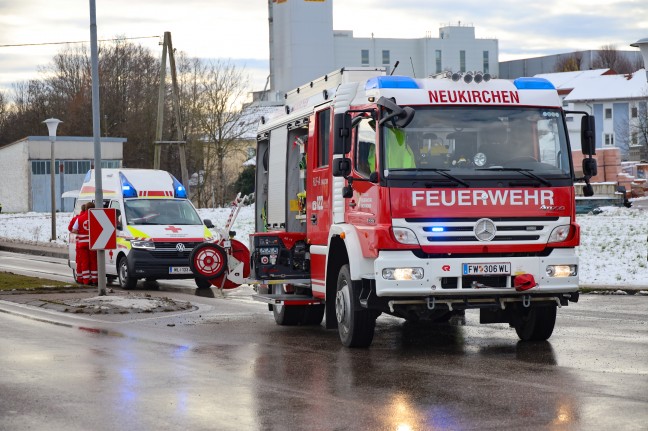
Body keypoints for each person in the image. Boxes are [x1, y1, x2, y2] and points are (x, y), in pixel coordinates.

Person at [72, 203, 89, 284]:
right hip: (93, 243)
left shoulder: (78, 218)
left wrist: (81, 232)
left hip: (81, 243)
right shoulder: (96, 217)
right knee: (93, 261)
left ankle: (83, 279)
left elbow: (72, 229)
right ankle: (94, 279)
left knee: (82, 262)